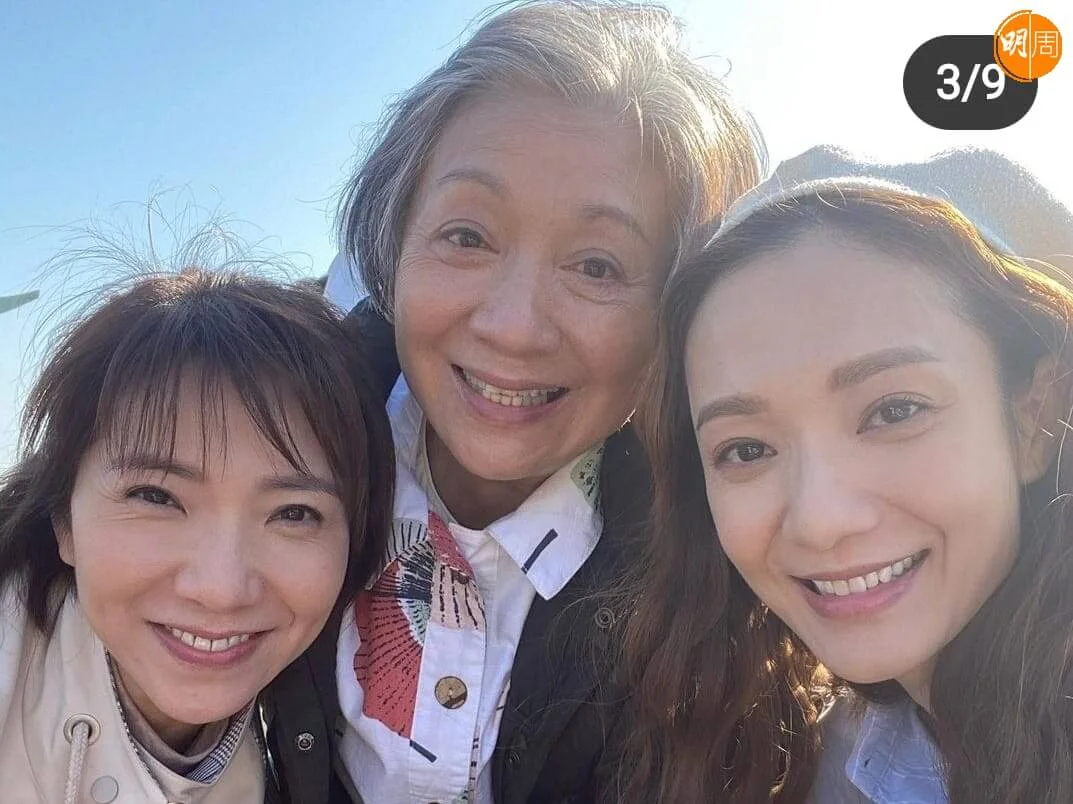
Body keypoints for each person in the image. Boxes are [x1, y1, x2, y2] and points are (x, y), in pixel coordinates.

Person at [266, 2, 766, 802]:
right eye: (467, 236)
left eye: (597, 266)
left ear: (673, 316)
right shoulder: (254, 445)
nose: (514, 326)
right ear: (393, 242)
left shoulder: (726, 565)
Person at [626, 144, 1073, 803]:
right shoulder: (807, 759)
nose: (820, 520)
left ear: (1036, 415)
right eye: (745, 449)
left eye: (894, 411)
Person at [0, 263, 394, 803]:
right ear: (62, 519)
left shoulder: (286, 756)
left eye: (294, 513)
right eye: (157, 497)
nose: (221, 590)